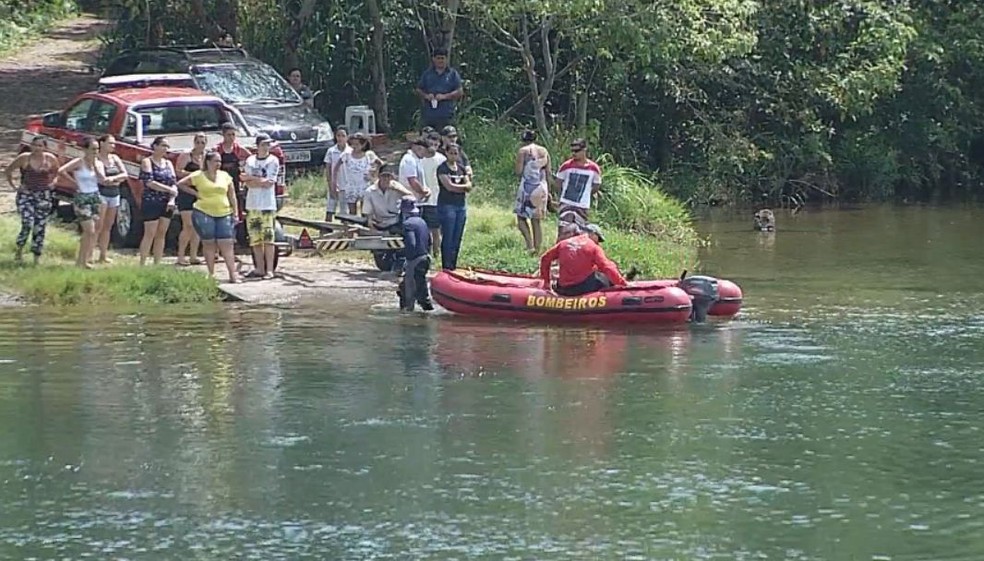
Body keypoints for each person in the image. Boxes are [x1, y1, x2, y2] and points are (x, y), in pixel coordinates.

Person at [176, 150, 240, 283]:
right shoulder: (199, 175)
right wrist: (195, 193)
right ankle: (211, 274)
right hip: (204, 211)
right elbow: (180, 184)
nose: (218, 164)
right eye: (216, 161)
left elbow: (232, 195)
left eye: (220, 161)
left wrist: (236, 212)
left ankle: (232, 274)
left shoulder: (225, 176)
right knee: (209, 243)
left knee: (226, 243)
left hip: (224, 212)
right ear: (208, 162)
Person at [57, 136, 110, 269]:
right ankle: (81, 261)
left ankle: (83, 260)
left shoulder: (98, 163)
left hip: (95, 196)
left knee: (93, 231)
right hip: (82, 197)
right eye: (92, 149)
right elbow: (61, 170)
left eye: (97, 149)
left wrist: (98, 169)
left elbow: (102, 179)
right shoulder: (78, 162)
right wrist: (74, 183)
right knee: (89, 230)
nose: (95, 152)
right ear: (85, 149)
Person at [5, 136, 58, 264]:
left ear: (45, 147)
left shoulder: (50, 159)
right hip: (26, 195)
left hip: (43, 195)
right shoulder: (24, 158)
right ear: (31, 146)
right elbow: (8, 170)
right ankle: (19, 249)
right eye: (35, 145)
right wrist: (14, 186)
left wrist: (53, 182)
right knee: (28, 222)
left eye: (40, 146)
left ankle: (36, 256)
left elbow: (56, 172)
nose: (37, 148)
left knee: (40, 226)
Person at [538, 224, 627, 296]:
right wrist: (622, 284)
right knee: (605, 276)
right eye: (598, 239)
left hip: (564, 288)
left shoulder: (563, 243)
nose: (598, 242)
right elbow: (607, 267)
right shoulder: (593, 247)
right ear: (592, 234)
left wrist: (546, 282)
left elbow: (545, 259)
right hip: (582, 288)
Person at [241, 133, 281, 279]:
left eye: (268, 144)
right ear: (257, 146)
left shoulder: (273, 160)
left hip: (267, 204)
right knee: (255, 238)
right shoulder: (250, 160)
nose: (266, 147)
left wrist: (252, 179)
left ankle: (270, 269)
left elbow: (269, 182)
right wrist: (255, 180)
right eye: (263, 144)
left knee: (268, 238)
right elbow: (245, 181)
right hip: (252, 204)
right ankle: (259, 268)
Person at [137, 136, 178, 266]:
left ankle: (157, 263)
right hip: (151, 201)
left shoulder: (168, 163)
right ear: (155, 146)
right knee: (150, 233)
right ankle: (142, 263)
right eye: (163, 145)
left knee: (162, 234)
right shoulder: (147, 162)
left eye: (167, 146)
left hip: (166, 202)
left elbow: (174, 183)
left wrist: (172, 199)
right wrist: (168, 190)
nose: (165, 149)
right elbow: (149, 182)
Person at [554, 138, 602, 240]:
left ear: (584, 150)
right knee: (563, 230)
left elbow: (596, 186)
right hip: (566, 203)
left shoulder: (594, 168)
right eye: (572, 151)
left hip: (582, 205)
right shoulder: (566, 166)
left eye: (577, 151)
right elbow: (558, 183)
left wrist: (586, 194)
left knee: (579, 232)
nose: (574, 154)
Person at [93, 134, 129, 264]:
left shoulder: (115, 158)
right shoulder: (97, 159)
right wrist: (114, 180)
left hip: (115, 193)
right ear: (102, 143)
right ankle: (90, 254)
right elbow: (102, 179)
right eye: (110, 143)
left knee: (108, 225)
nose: (113, 146)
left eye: (114, 144)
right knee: (98, 225)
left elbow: (125, 174)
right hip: (101, 193)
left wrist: (113, 179)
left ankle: (103, 254)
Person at [514, 129, 551, 253]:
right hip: (541, 186)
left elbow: (518, 171)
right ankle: (538, 249)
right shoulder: (544, 151)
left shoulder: (523, 151)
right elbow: (548, 172)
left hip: (527, 187)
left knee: (521, 218)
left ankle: (529, 245)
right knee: (537, 220)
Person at [436, 143, 472, 270]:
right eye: (451, 153)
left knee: (457, 237)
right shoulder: (442, 168)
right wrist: (462, 187)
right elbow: (449, 186)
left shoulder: (461, 168)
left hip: (460, 206)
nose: (453, 155)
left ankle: (453, 265)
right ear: (446, 153)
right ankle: (446, 266)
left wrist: (460, 188)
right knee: (448, 237)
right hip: (447, 205)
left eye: (456, 153)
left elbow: (469, 186)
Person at [174, 132, 207, 265]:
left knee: (197, 226)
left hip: (200, 194)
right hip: (186, 193)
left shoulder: (206, 157)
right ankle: (181, 255)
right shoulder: (186, 156)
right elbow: (178, 172)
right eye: (198, 142)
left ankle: (193, 255)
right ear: (194, 143)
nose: (200, 145)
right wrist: (194, 175)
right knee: (188, 225)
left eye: (203, 142)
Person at [397, 196, 434, 312]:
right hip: (425, 258)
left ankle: (408, 313)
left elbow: (411, 244)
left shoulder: (407, 224)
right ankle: (427, 309)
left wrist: (402, 255)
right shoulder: (422, 222)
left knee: (408, 291)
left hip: (415, 260)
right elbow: (430, 241)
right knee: (420, 287)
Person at [332, 131, 381, 215]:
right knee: (352, 212)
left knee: (365, 211)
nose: (354, 147)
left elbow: (380, 164)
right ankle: (353, 226)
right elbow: (336, 168)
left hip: (364, 186)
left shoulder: (368, 155)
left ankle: (363, 226)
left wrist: (373, 173)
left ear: (364, 144)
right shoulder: (347, 154)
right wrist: (334, 182)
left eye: (357, 144)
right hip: (351, 186)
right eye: (352, 144)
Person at [414, 47, 463, 130]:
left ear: (446, 59)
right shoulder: (427, 74)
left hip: (447, 115)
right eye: (438, 58)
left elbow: (460, 91)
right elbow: (418, 90)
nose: (440, 61)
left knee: (448, 140)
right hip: (429, 116)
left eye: (442, 58)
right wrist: (426, 96)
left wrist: (445, 96)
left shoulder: (453, 74)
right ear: (434, 59)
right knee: (429, 140)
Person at [362, 163, 414, 232]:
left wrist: (399, 190)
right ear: (379, 176)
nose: (386, 179)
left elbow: (412, 197)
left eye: (388, 176)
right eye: (383, 176)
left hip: (395, 221)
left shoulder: (396, 186)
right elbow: (367, 212)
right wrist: (371, 225)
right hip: (378, 222)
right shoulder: (370, 191)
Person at [322, 125, 350, 221]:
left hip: (346, 185)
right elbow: (328, 169)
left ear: (347, 137)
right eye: (338, 135)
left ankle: (345, 232)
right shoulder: (331, 151)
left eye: (343, 136)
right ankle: (326, 231)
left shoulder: (350, 152)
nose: (340, 138)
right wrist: (331, 185)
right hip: (335, 184)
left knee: (344, 212)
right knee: (330, 209)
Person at [398, 138, 430, 202]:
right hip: (410, 201)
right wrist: (423, 192)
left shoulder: (416, 159)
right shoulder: (409, 159)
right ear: (416, 147)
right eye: (424, 150)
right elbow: (412, 181)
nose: (425, 153)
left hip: (416, 200)